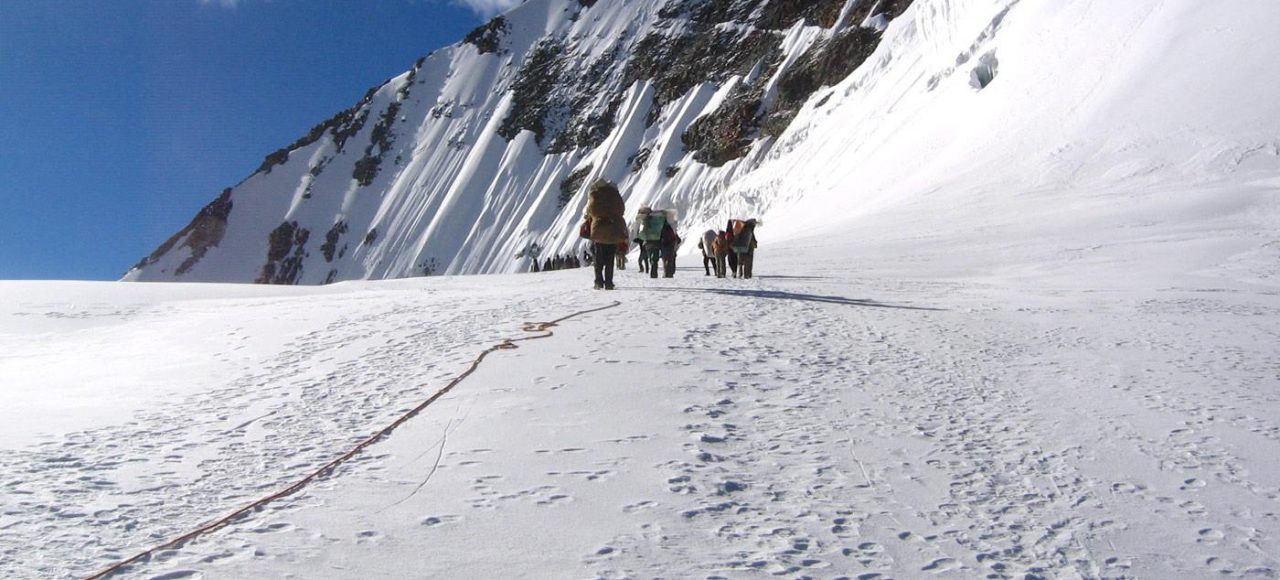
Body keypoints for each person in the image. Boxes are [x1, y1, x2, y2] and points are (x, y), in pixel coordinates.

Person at [583, 179, 628, 289]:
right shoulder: (615, 196)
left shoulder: (595, 195)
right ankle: (609, 283)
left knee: (598, 261)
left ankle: (598, 282)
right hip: (613, 231)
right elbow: (622, 210)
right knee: (610, 260)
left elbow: (589, 211)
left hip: (598, 232)